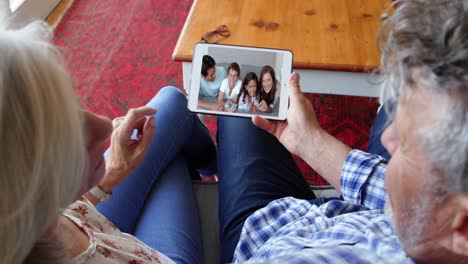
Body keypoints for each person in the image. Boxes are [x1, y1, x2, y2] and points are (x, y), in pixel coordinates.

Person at [216, 0, 468, 263]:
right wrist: (310, 142)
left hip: (263, 234)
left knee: (235, 118)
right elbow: (408, 198)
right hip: (346, 213)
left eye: (405, 143)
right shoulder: (436, 222)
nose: (387, 137)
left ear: (462, 227)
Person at [0, 20, 218, 264]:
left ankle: (213, 168)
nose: (105, 125)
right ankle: (218, 171)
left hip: (88, 219)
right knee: (172, 150)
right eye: (59, 131)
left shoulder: (20, 223)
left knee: (171, 104)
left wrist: (113, 173)